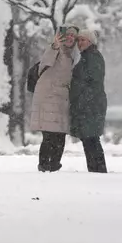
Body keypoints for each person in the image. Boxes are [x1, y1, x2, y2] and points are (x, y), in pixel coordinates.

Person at [31, 25, 80, 172]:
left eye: (73, 36)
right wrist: (54, 45)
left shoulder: (73, 55)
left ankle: (54, 165)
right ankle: (45, 165)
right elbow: (46, 60)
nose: (70, 38)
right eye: (68, 35)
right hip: (48, 98)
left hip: (61, 100)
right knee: (49, 134)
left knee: (60, 135)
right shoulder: (56, 50)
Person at [70, 29, 108, 173]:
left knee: (91, 140)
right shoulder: (87, 57)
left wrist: (78, 95)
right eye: (78, 40)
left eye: (83, 40)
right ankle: (96, 170)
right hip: (89, 104)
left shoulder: (93, 57)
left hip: (91, 105)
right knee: (90, 140)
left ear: (91, 42)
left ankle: (98, 171)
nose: (80, 43)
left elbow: (92, 81)